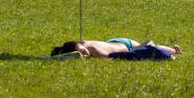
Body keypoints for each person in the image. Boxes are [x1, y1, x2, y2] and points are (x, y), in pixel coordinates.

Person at [50, 39, 181, 58]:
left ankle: (175, 51)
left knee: (151, 47)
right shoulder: (81, 43)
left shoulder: (95, 50)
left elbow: (109, 58)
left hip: (127, 46)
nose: (85, 53)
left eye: (83, 51)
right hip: (114, 42)